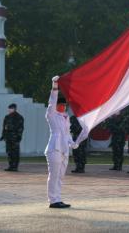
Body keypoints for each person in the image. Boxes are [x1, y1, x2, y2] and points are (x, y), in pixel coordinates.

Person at [45, 76, 86, 209]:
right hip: (54, 148)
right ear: (56, 105)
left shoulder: (66, 117)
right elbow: (51, 102)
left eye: (64, 105)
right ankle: (52, 200)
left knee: (60, 176)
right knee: (54, 175)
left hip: (64, 148)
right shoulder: (51, 114)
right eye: (60, 105)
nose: (63, 107)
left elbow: (67, 134)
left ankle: (58, 198)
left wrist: (73, 143)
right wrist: (55, 86)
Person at [0, 103, 24, 172]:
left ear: (14, 109)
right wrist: (3, 135)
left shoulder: (19, 117)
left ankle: (15, 167)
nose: (9, 110)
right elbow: (4, 127)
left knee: (15, 152)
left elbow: (21, 128)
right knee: (9, 152)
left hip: (15, 137)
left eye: (11, 108)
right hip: (8, 137)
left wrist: (19, 136)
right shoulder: (7, 117)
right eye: (9, 108)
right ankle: (10, 166)